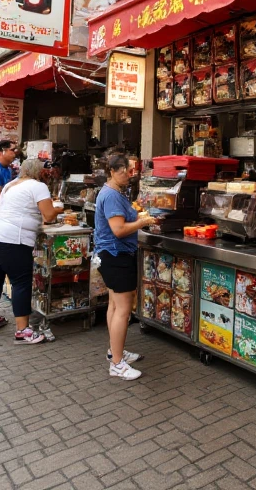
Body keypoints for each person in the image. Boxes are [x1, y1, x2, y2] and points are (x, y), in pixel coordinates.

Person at [0, 158, 60, 344]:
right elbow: (48, 216)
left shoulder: (10, 184)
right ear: (39, 172)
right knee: (21, 282)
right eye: (45, 172)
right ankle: (23, 331)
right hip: (12, 238)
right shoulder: (38, 186)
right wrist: (58, 208)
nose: (47, 175)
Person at [94, 154, 156, 381]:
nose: (129, 175)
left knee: (114, 305)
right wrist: (142, 222)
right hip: (116, 255)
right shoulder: (111, 195)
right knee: (122, 309)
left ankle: (115, 352)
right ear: (112, 170)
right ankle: (117, 364)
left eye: (131, 171)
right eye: (125, 171)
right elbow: (119, 229)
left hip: (112, 254)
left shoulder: (113, 192)